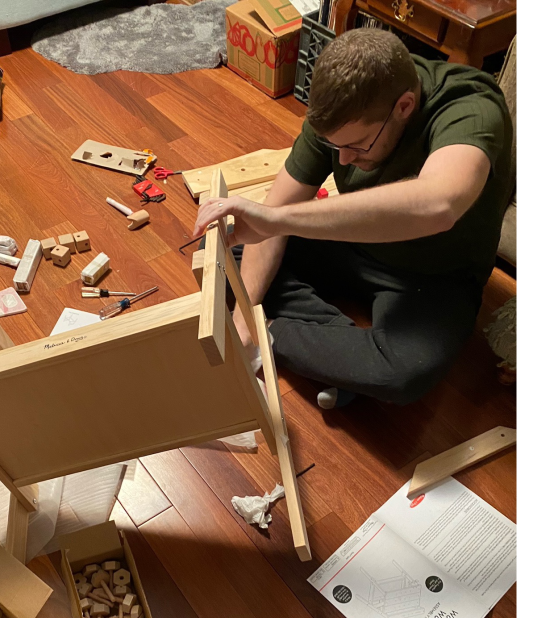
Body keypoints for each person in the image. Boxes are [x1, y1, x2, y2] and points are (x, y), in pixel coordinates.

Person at [193, 29, 513, 409]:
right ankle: (332, 352)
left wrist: (276, 222)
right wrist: (243, 325)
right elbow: (271, 218)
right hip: (355, 241)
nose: (342, 160)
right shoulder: (341, 114)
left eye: (355, 146)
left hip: (433, 275)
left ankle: (286, 336)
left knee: (404, 373)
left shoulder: (469, 107)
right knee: (226, 247)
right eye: (333, 146)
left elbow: (439, 205)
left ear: (405, 107)